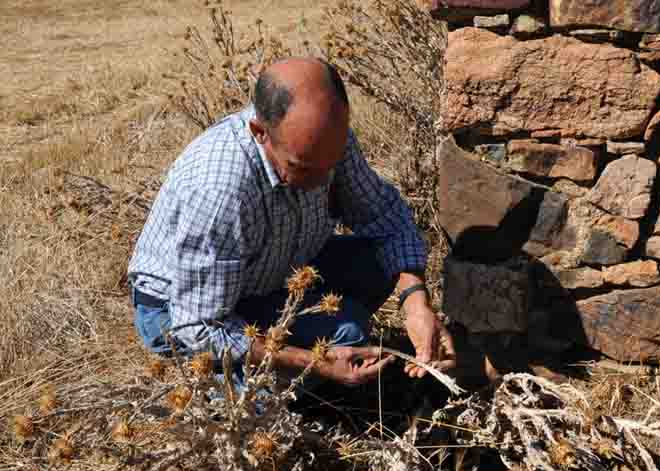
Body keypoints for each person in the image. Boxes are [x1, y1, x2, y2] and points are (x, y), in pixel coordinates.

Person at [128, 57, 455, 388]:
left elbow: (384, 218)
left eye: (330, 163)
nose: (323, 179)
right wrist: (312, 361)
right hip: (183, 311)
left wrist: (415, 303)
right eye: (303, 168)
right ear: (260, 133)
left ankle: (311, 361)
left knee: (380, 264)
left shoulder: (325, 141)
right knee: (345, 335)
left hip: (272, 273)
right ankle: (266, 387)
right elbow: (198, 326)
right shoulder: (220, 188)